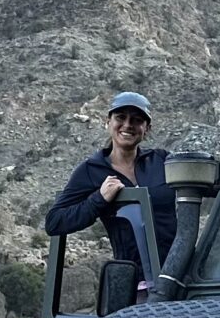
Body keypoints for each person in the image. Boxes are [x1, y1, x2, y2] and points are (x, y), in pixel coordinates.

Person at [46, 92, 177, 277]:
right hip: (135, 284)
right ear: (108, 122)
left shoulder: (162, 161)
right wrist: (98, 199)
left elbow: (206, 180)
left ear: (146, 128)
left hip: (179, 275)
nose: (128, 125)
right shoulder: (91, 170)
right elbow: (54, 222)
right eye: (121, 117)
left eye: (137, 120)